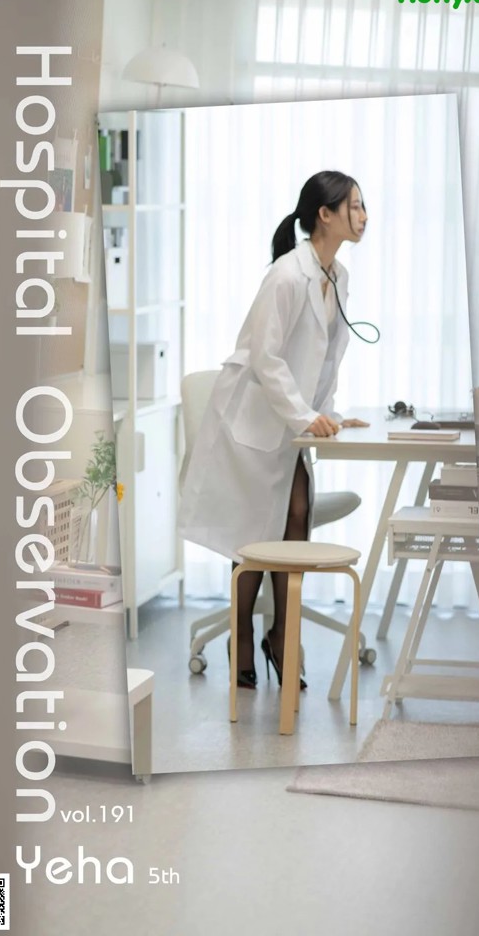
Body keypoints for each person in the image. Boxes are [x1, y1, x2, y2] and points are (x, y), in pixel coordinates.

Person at [178, 171, 370, 690]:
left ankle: (282, 637)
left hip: (292, 421)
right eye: (353, 206)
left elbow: (326, 357)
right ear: (324, 215)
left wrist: (327, 412)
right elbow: (266, 358)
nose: (363, 214)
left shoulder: (339, 277)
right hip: (253, 420)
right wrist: (305, 415)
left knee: (296, 520)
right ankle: (243, 638)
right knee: (256, 536)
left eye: (363, 205)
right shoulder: (286, 275)